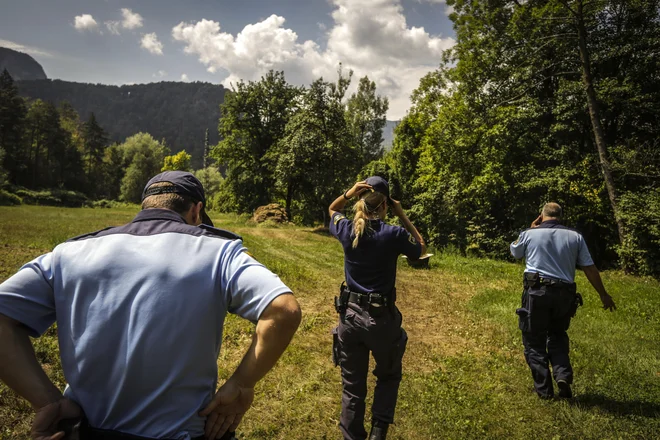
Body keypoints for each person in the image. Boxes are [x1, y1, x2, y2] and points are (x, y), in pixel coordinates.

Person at [0, 170, 301, 440]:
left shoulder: (67, 253)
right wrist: (241, 384)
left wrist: (47, 402)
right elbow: (283, 310)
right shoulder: (219, 252)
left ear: (146, 206)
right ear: (196, 211)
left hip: (84, 430)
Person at [328, 177, 426, 440]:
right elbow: (420, 247)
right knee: (388, 374)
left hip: (349, 317)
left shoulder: (348, 229)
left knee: (352, 388)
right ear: (384, 205)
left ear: (361, 200)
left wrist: (349, 193)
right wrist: (401, 213)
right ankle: (378, 433)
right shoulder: (393, 234)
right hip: (381, 320)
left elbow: (332, 210)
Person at [510, 202, 616, 399]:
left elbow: (515, 253)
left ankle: (544, 391)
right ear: (560, 216)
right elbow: (589, 268)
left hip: (537, 292)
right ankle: (562, 376)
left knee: (534, 341)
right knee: (558, 335)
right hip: (565, 295)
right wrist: (603, 294)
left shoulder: (529, 234)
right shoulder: (575, 237)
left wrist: (531, 229)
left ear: (541, 216)